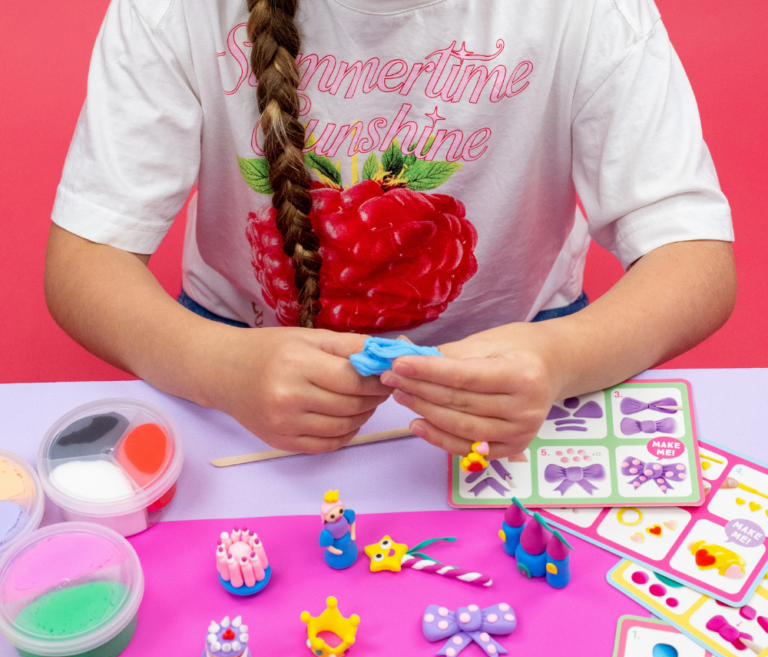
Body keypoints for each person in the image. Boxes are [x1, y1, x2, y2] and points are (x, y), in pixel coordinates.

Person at [45, 0, 736, 460]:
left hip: (523, 367)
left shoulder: (588, 12)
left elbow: (694, 257)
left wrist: (560, 359)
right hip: (237, 364)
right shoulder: (174, 11)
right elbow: (85, 261)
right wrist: (221, 367)